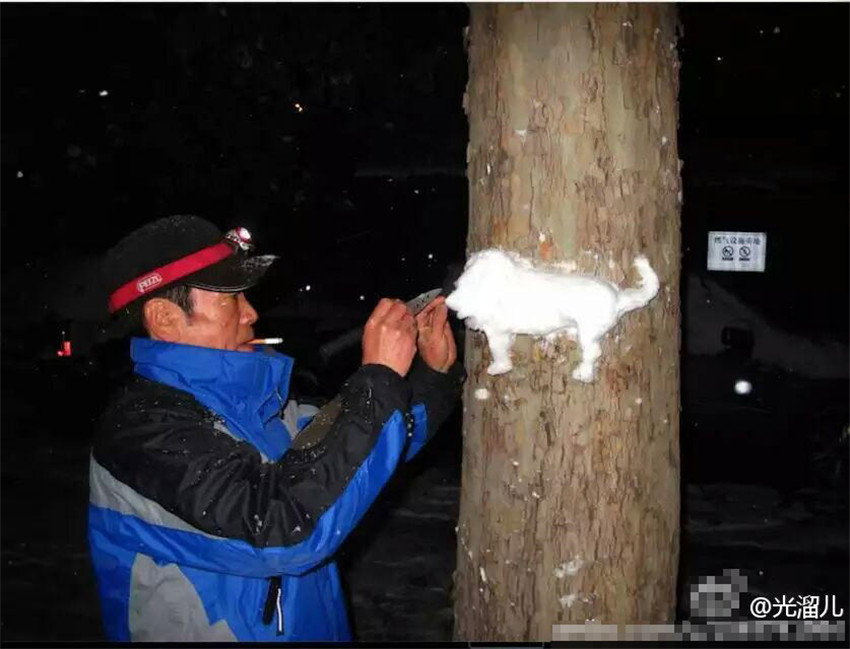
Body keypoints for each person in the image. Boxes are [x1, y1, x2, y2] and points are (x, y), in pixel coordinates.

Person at [88, 215, 464, 642]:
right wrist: (376, 380)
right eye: (231, 300)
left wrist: (432, 376)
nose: (252, 313)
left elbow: (362, 456)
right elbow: (279, 531)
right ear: (165, 318)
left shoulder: (265, 411)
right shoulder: (142, 433)